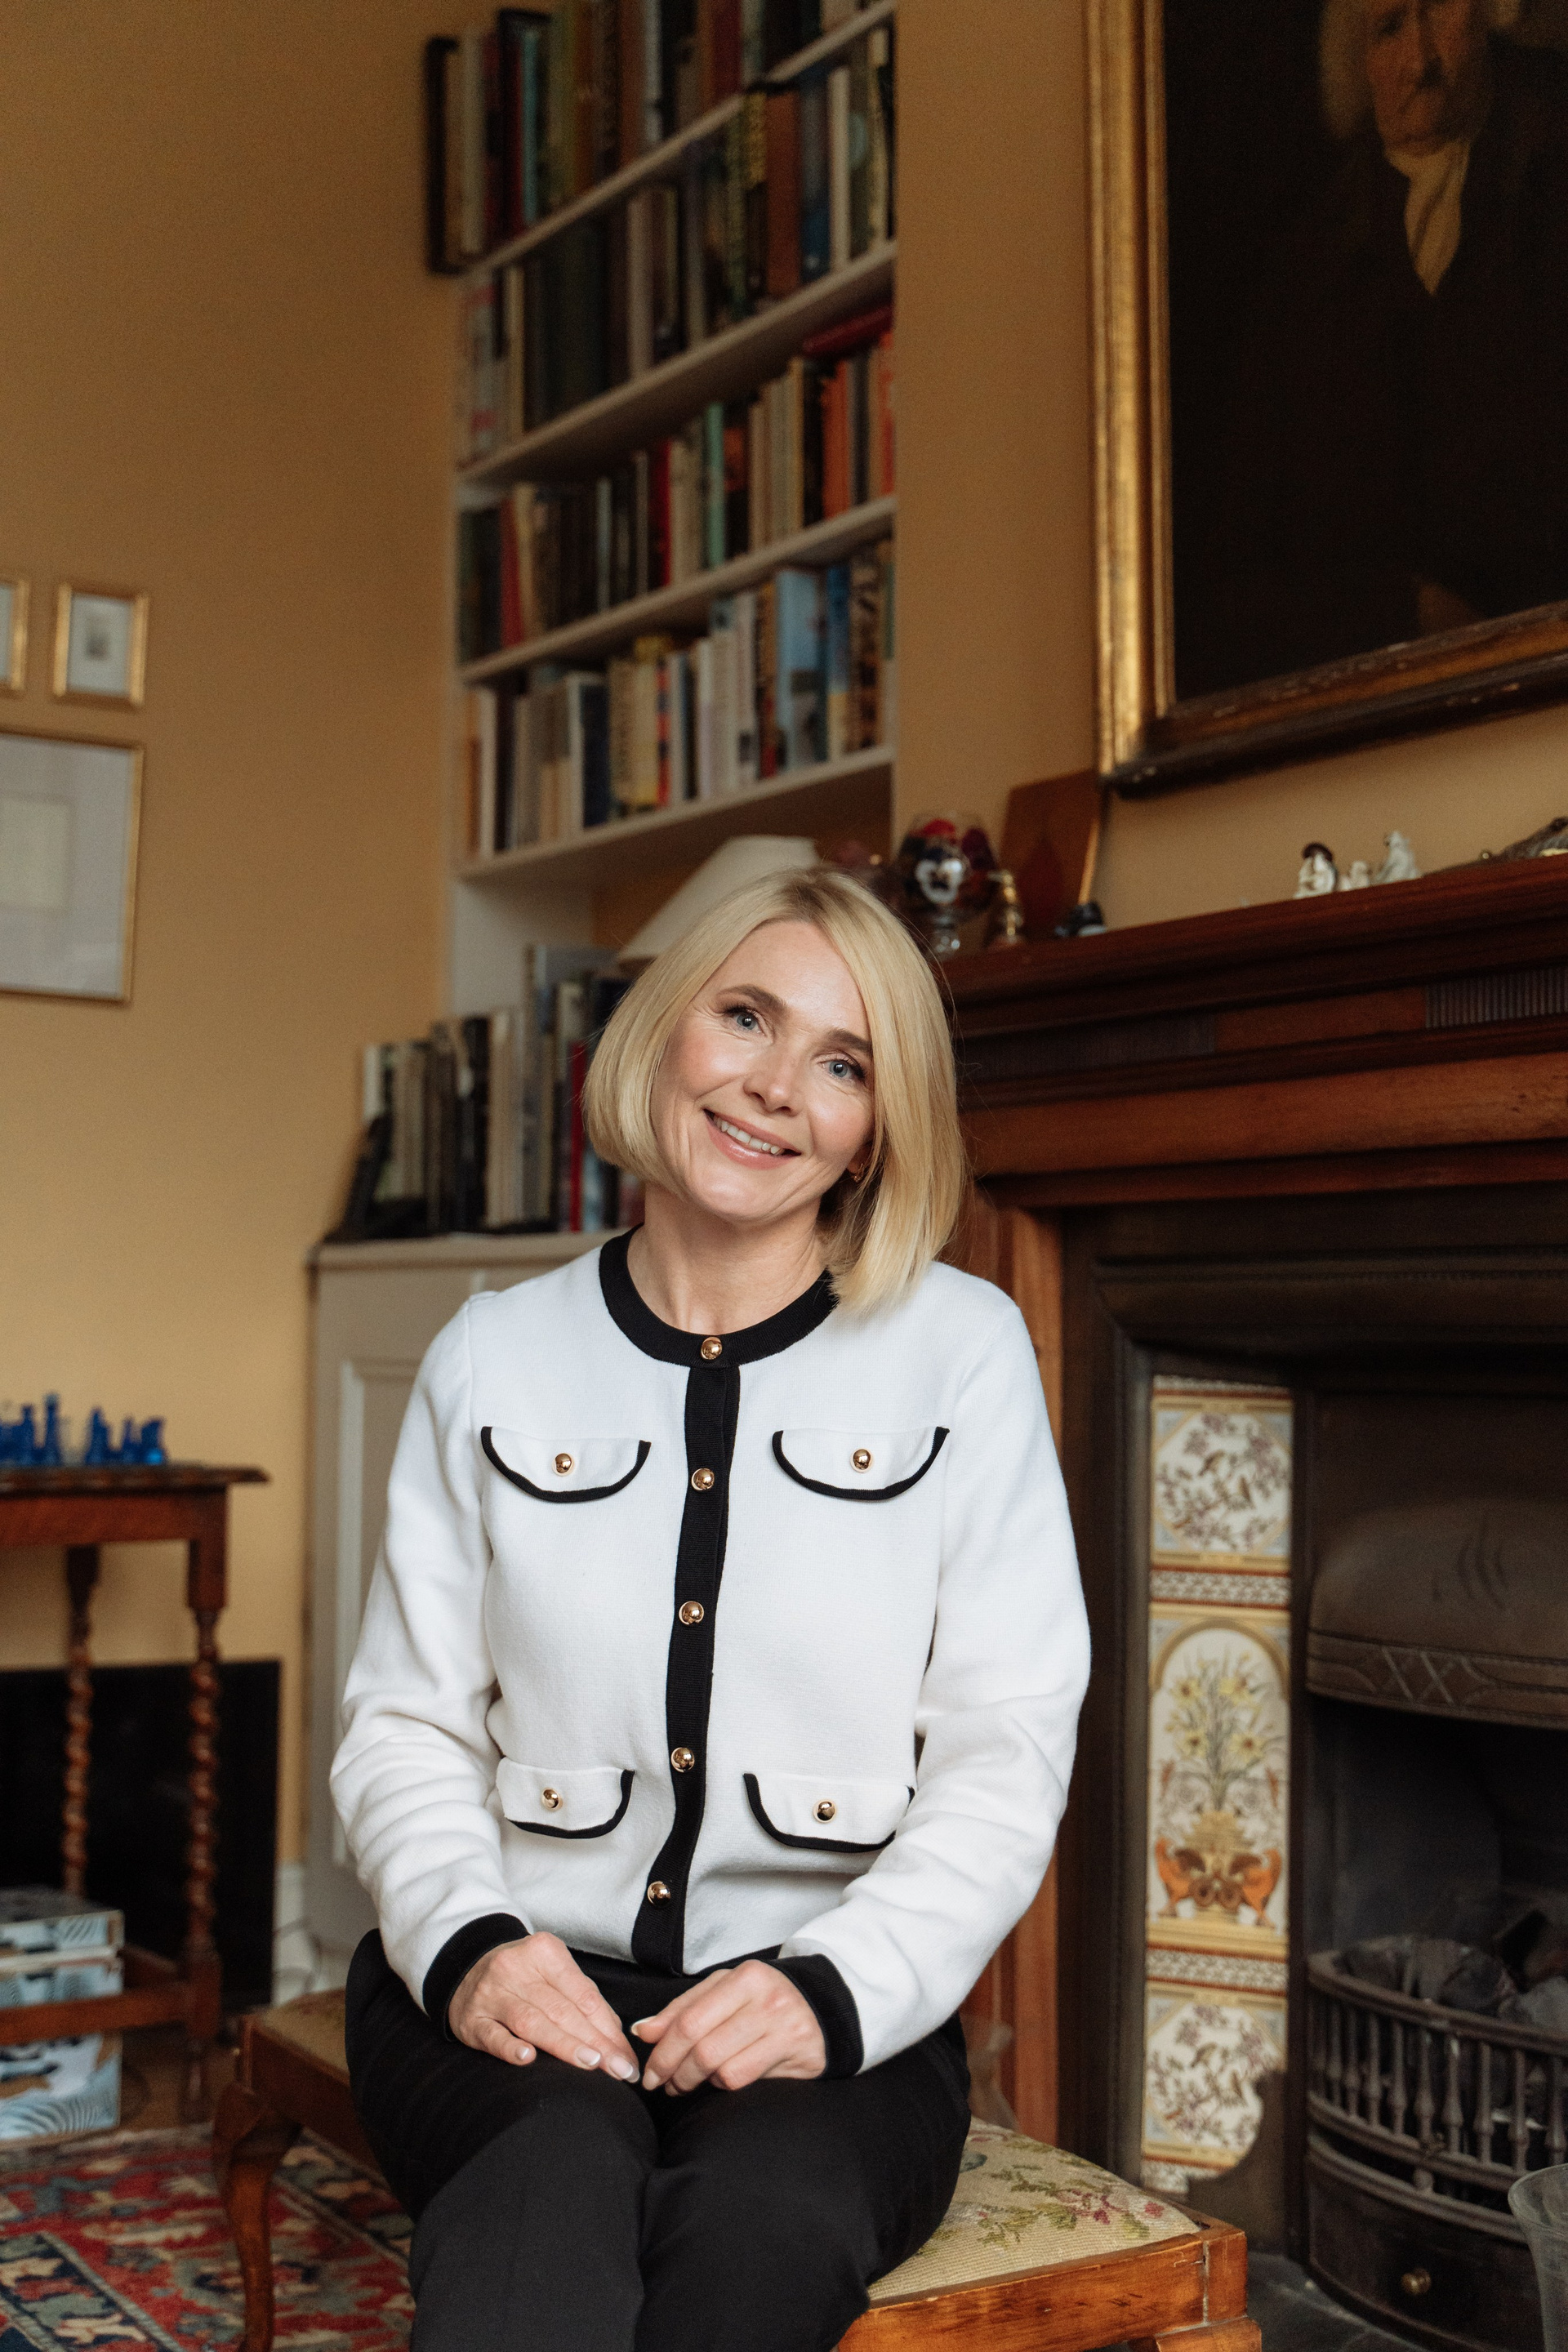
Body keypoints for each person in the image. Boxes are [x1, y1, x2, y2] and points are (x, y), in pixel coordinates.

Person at [331, 866, 1089, 2352]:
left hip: (838, 2010)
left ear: (878, 1128)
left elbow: (1006, 1748)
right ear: (666, 1027)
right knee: (544, 2186)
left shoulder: (965, 1354)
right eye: (746, 1017)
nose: (776, 1087)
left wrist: (835, 1991)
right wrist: (472, 1944)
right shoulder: (492, 1355)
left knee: (762, 2230)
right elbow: (403, 1723)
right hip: (509, 1971)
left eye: (844, 1062)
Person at [1196, 0, 1568, 692]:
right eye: (1390, 29)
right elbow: (1244, 575)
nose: (1420, 62)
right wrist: (1395, 613)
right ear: (1358, 62)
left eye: (1441, 10)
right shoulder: (1304, 274)